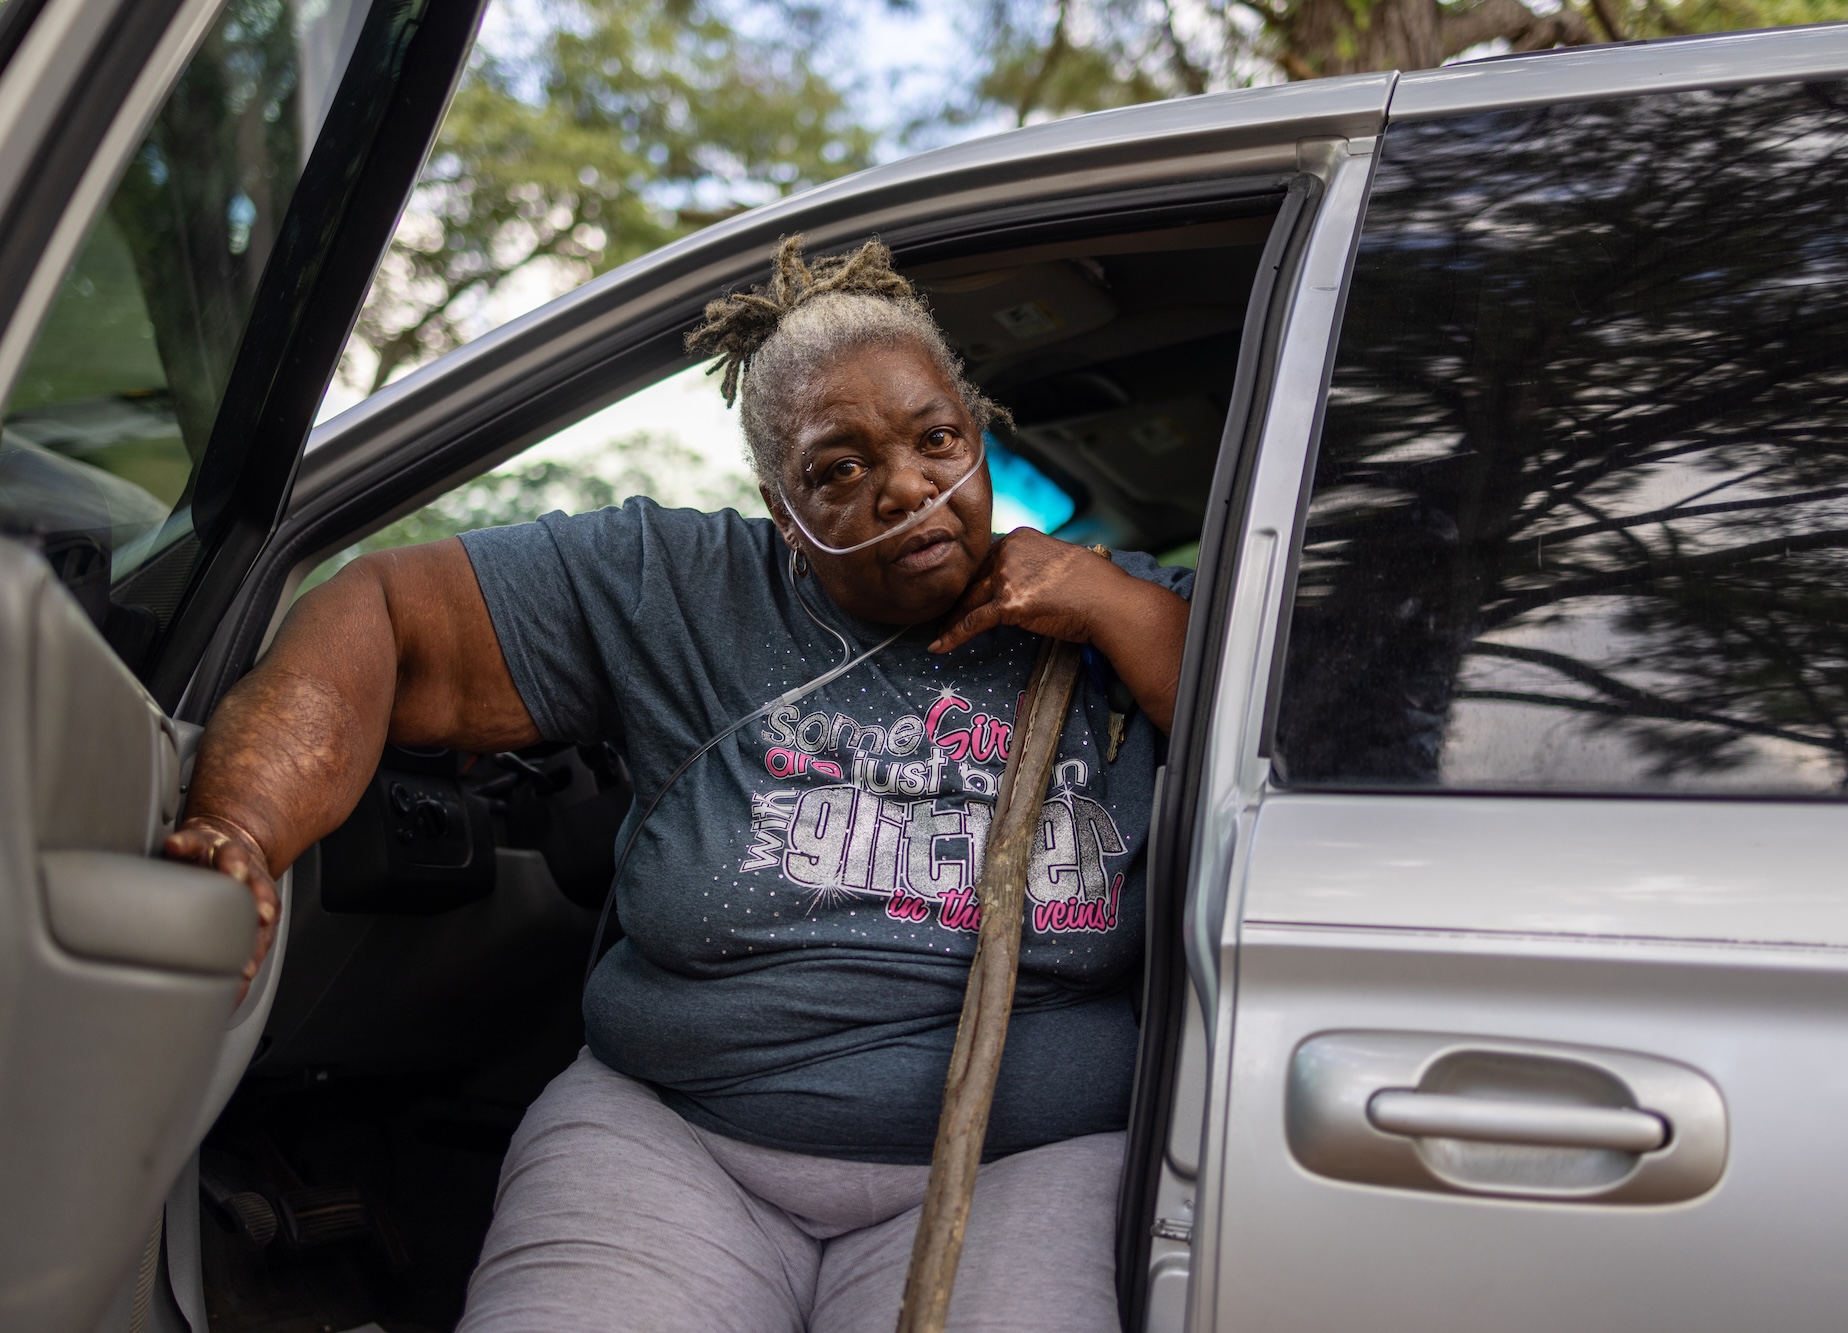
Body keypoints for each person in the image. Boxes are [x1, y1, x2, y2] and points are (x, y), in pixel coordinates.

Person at [167, 237, 1193, 1332]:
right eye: (837, 469)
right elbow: (380, 614)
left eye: (935, 439)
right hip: (676, 1138)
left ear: (976, 435)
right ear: (779, 504)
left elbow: (1296, 727)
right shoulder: (682, 585)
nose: (903, 486)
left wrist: (1115, 609)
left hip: (1018, 1163)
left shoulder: (1116, 609)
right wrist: (240, 825)